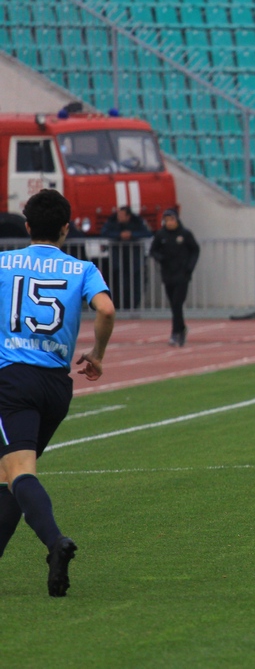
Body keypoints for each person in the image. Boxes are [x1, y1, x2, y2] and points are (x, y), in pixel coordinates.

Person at [0, 189, 115, 596]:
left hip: (13, 380)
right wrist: (97, 355)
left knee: (19, 471)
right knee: (9, 474)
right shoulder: (82, 268)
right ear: (67, 228)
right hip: (55, 386)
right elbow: (106, 309)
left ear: (27, 225)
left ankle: (55, 543)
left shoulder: (4, 263)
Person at [149, 209, 200, 347]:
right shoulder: (161, 235)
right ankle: (181, 327)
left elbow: (195, 250)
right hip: (168, 273)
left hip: (182, 274)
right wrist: (160, 258)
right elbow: (153, 250)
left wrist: (189, 267)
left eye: (172, 220)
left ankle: (176, 332)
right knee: (173, 305)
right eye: (167, 220)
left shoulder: (185, 234)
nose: (170, 223)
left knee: (177, 303)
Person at [100, 205, 152, 310]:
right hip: (118, 260)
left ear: (128, 216)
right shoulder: (112, 221)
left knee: (136, 284)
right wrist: (119, 235)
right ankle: (120, 305)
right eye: (118, 215)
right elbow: (104, 232)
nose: (119, 217)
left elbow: (147, 233)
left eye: (122, 215)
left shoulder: (137, 222)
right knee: (119, 283)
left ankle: (133, 305)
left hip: (135, 259)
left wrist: (132, 235)